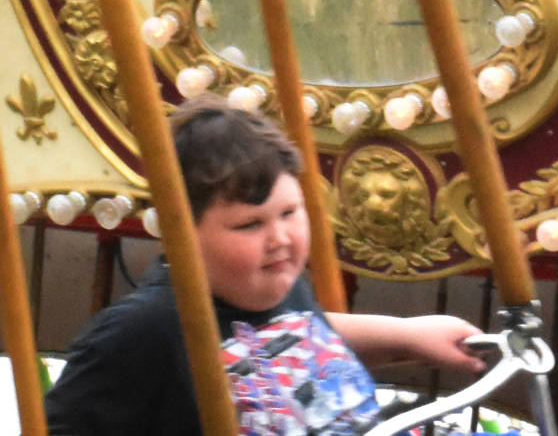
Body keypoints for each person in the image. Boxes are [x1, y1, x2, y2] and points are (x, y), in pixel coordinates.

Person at [44, 96, 483, 436]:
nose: (280, 240)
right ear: (183, 232)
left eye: (290, 213)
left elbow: (287, 331)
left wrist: (409, 336)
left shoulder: (274, 283)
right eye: (249, 225)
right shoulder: (139, 333)